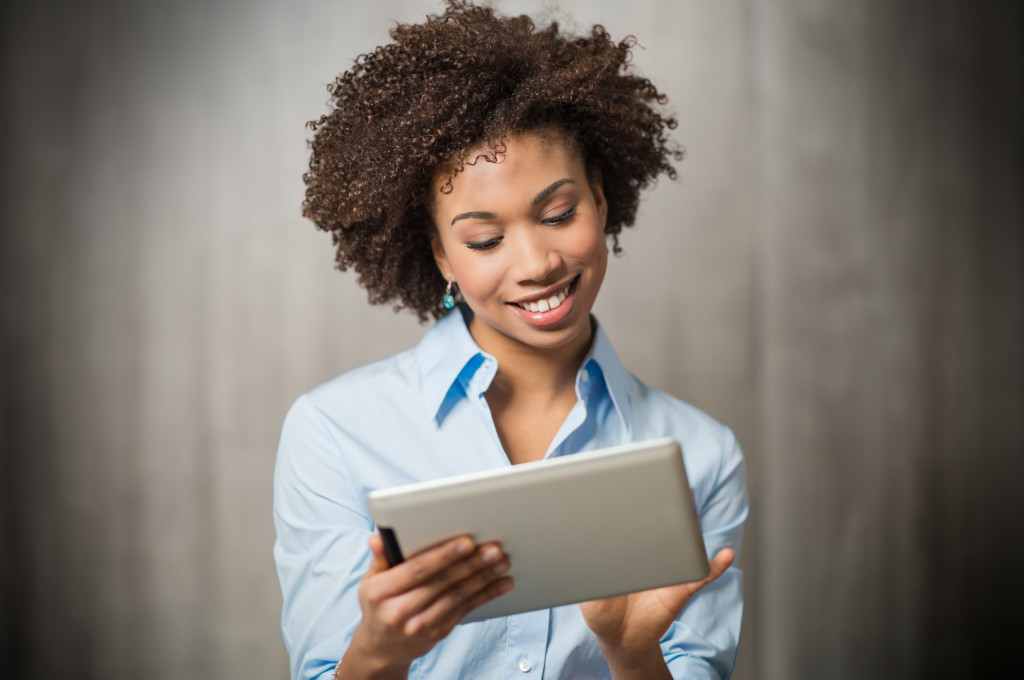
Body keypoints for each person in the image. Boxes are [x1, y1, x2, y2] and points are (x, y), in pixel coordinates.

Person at [273, 2, 748, 678]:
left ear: (602, 198)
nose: (535, 265)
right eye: (484, 239)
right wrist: (378, 653)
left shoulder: (700, 455)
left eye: (558, 213)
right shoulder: (333, 433)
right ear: (438, 253)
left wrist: (633, 652)